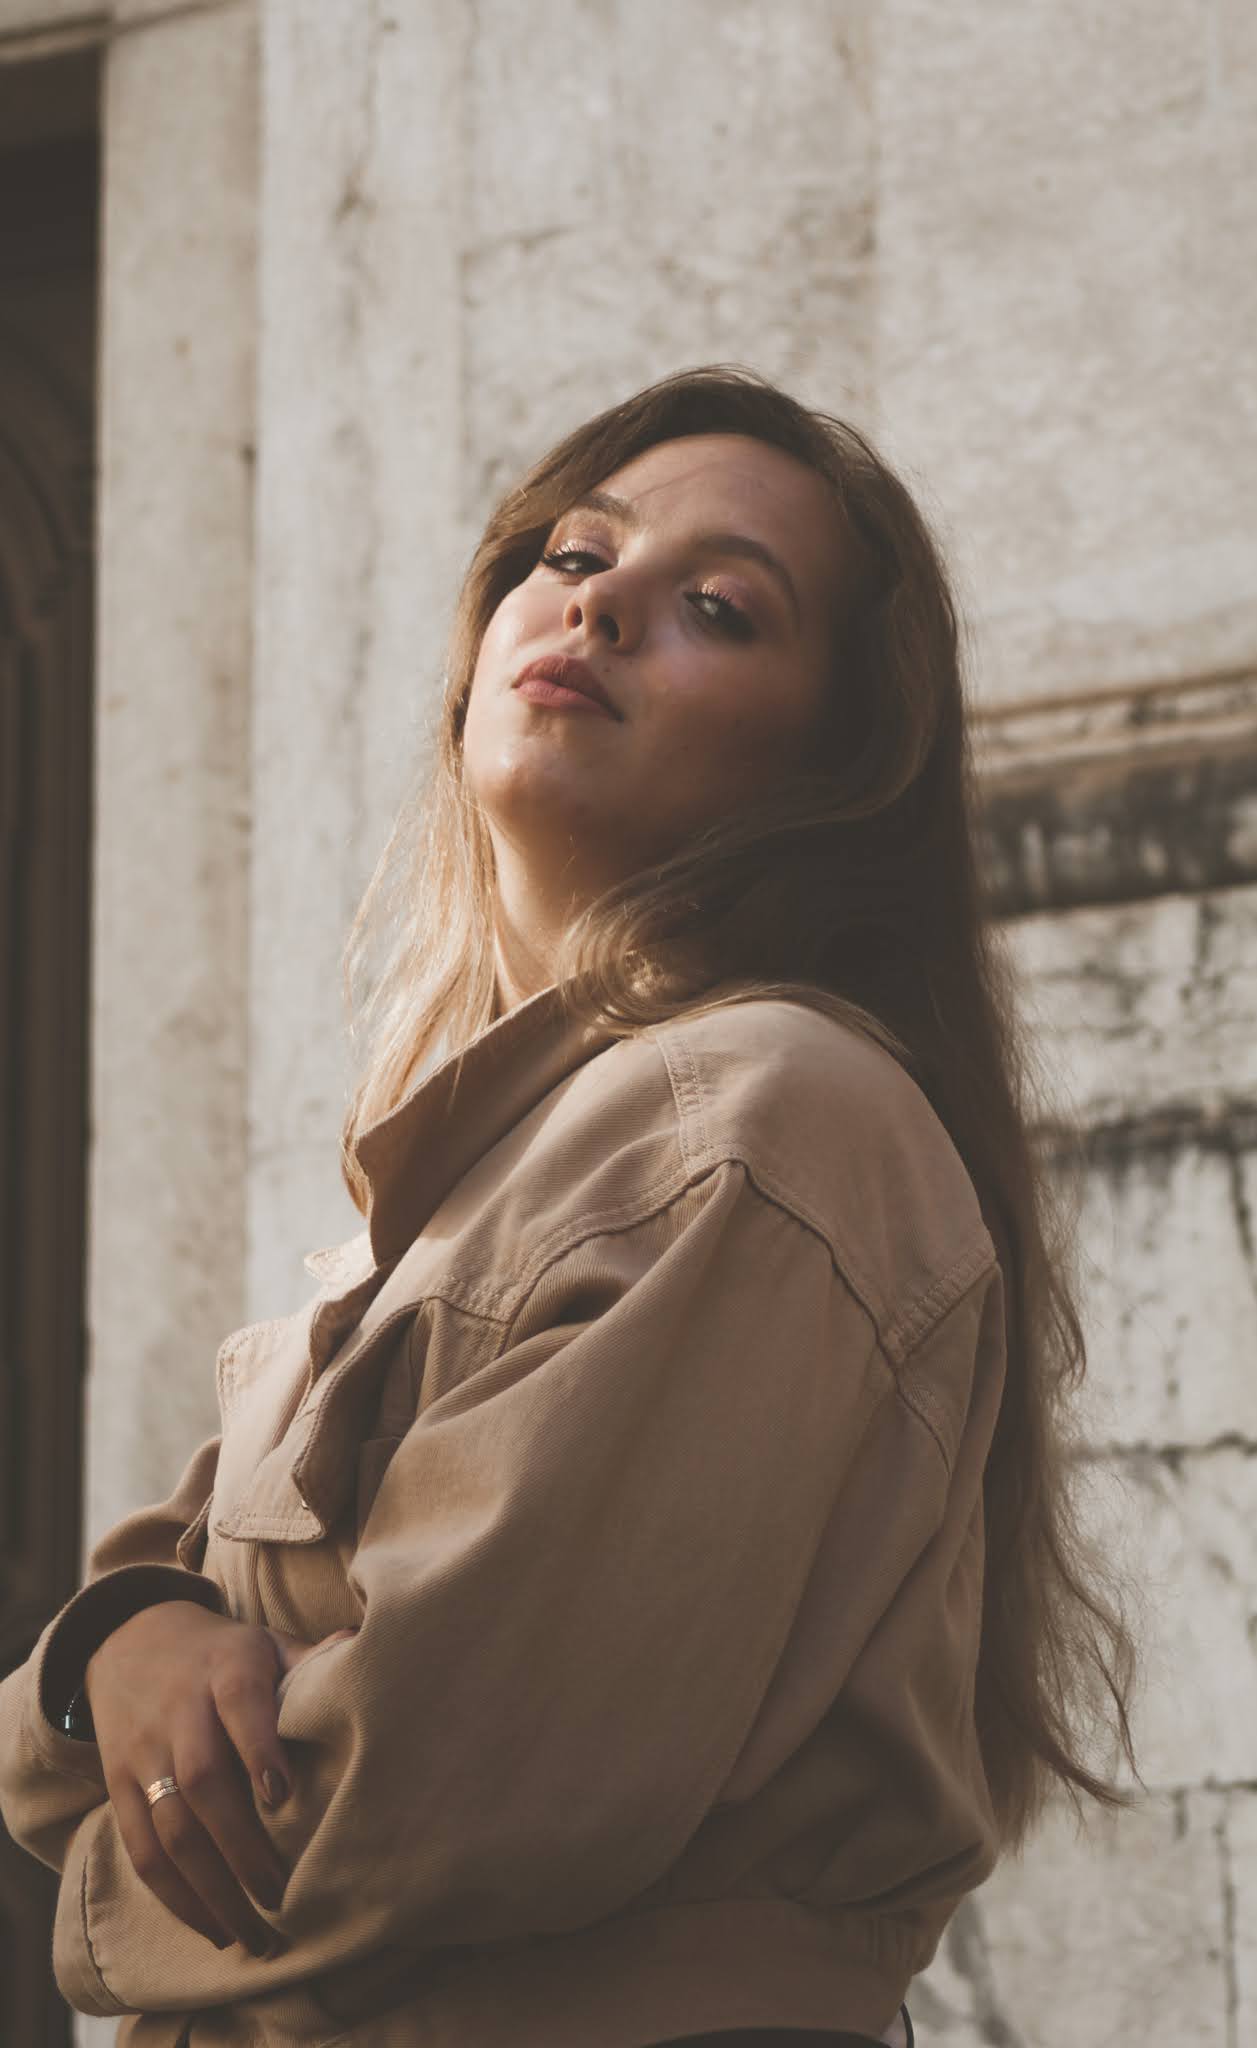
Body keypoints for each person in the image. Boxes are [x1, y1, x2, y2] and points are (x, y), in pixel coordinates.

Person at [0, 363, 1135, 2047]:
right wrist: (125, 1643)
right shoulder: (470, 1183)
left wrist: (110, 1829)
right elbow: (75, 1686)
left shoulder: (769, 1119)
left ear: (836, 762)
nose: (596, 605)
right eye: (574, 552)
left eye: (717, 607)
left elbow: (424, 1796)